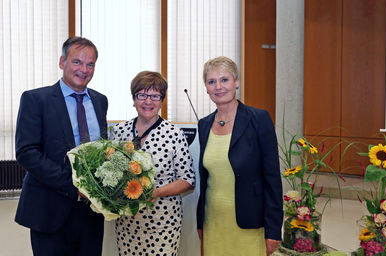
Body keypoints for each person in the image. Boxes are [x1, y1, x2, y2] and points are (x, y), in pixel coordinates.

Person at [15, 36, 108, 256]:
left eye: (90, 64)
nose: (84, 69)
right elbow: (26, 152)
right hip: (49, 210)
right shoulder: (36, 99)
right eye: (77, 62)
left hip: (91, 213)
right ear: (62, 62)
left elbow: (101, 150)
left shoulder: (100, 100)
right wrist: (75, 185)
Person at [196, 56, 283, 256]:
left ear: (236, 82)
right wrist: (201, 221)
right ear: (206, 88)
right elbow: (205, 179)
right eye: (211, 82)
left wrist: (274, 230)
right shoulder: (204, 125)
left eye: (224, 79)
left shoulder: (259, 119)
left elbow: (272, 179)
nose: (218, 86)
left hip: (250, 225)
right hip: (213, 223)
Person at [112, 71, 195, 256]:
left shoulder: (173, 133)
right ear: (133, 99)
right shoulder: (119, 131)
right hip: (128, 222)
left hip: (162, 221)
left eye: (155, 96)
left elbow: (188, 179)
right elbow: (111, 172)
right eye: (142, 95)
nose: (148, 101)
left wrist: (156, 192)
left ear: (161, 100)